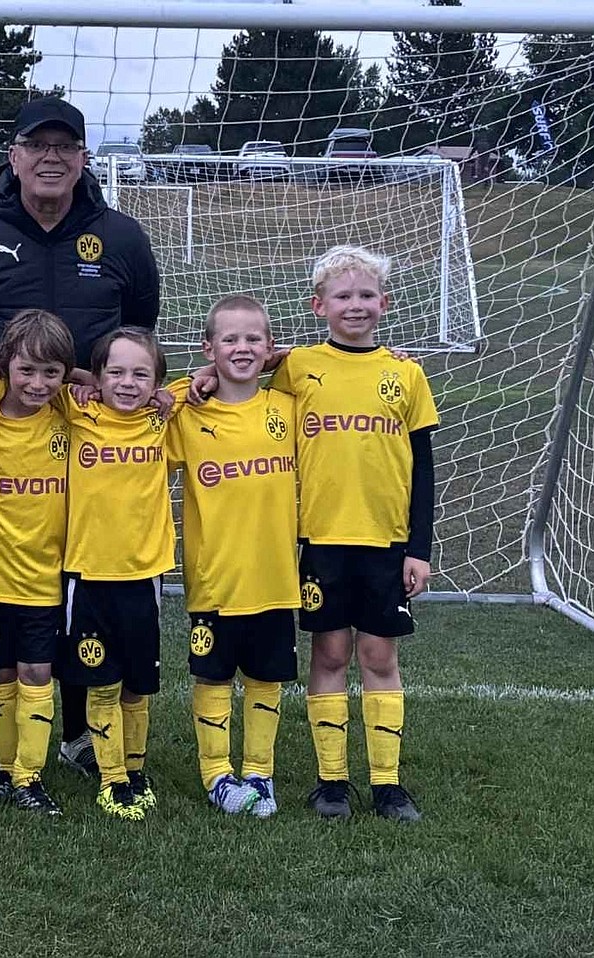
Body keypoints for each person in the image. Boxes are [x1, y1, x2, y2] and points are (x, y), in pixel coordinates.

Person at [0, 95, 161, 780]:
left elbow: (138, 332)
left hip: (90, 442)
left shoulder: (121, 237)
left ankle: (80, 729)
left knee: (80, 578)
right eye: (37, 145)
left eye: (66, 147)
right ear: (13, 156)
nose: (51, 158)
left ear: (84, 159)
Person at [269, 246, 438, 822]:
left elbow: (424, 469)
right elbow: (244, 369)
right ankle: (332, 781)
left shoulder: (405, 372)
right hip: (321, 538)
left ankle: (388, 784)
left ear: (385, 304)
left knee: (378, 654)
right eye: (343, 296)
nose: (356, 305)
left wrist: (420, 548)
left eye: (367, 295)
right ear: (320, 306)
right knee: (332, 650)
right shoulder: (297, 369)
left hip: (387, 542)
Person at [166, 295, 300, 818]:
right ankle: (217, 774)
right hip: (214, 576)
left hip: (274, 576)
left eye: (253, 339)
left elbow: (320, 375)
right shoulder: (190, 415)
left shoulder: (285, 410)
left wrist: (284, 360)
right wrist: (191, 381)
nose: (241, 348)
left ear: (269, 348)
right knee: (214, 676)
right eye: (229, 339)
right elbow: (154, 403)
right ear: (208, 348)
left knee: (267, 677)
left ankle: (259, 774)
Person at [54, 327, 183, 821]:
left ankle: (135, 767)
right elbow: (43, 374)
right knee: (100, 680)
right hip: (86, 574)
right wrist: (86, 379)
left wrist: (171, 393)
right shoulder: (77, 409)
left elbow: (210, 380)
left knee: (137, 682)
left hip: (144, 574)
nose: (128, 383)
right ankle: (111, 781)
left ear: (157, 382)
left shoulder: (164, 418)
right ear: (99, 374)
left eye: (141, 374)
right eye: (116, 372)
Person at [0, 310, 75, 817]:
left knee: (37, 672)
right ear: (5, 365)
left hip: (45, 578)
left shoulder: (70, 413)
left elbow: (122, 390)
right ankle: (6, 771)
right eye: (26, 370)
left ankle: (30, 777)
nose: (37, 383)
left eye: (51, 373)